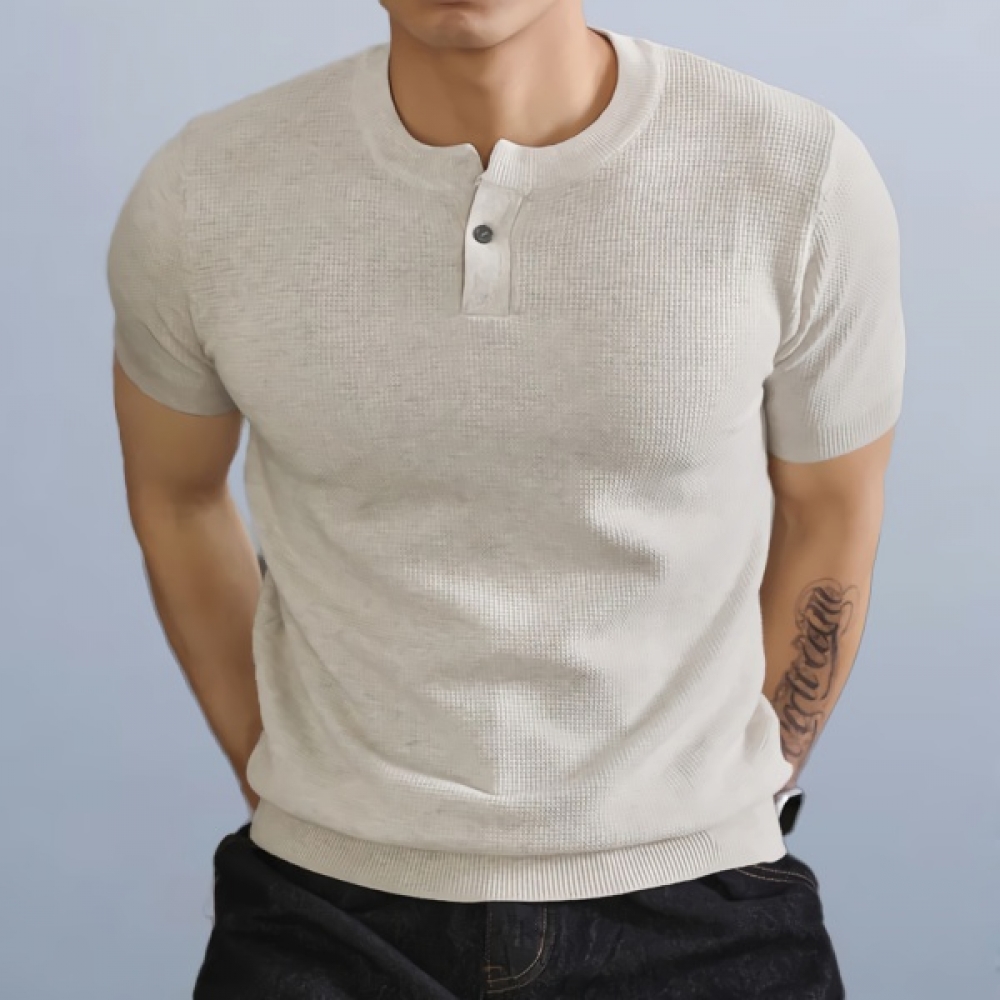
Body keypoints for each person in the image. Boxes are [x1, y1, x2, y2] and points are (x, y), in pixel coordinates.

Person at [107, 0, 904, 996]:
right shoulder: (206, 190)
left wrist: (744, 781)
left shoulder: (795, 171)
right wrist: (286, 769)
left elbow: (832, 508)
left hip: (702, 910)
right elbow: (175, 496)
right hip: (323, 916)